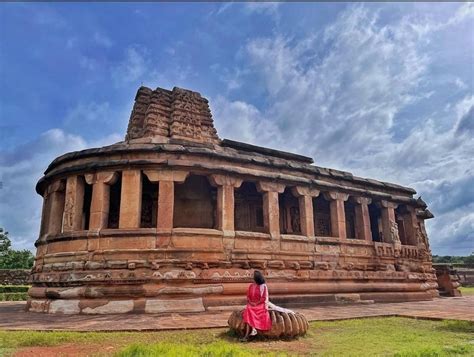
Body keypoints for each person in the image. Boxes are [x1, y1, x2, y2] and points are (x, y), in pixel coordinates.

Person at [241, 270, 272, 342]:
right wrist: (251, 302)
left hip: (260, 304)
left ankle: (253, 332)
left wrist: (256, 303)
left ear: (256, 278)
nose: (252, 277)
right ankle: (247, 335)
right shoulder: (251, 286)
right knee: (249, 309)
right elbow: (248, 296)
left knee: (252, 310)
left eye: (253, 276)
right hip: (252, 304)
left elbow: (264, 298)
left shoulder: (263, 286)